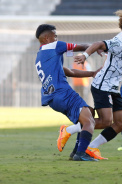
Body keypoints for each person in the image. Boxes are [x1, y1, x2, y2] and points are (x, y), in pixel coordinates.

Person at [59, 10, 122, 159]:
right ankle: (68, 129)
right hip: (102, 86)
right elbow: (98, 44)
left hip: (114, 88)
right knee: (106, 121)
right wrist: (85, 55)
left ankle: (91, 148)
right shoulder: (120, 42)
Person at [35, 24, 100, 161]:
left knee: (89, 113)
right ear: (47, 38)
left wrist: (92, 73)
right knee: (89, 120)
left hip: (53, 98)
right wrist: (97, 47)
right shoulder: (54, 46)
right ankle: (80, 154)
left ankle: (76, 151)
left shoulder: (41, 57)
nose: (57, 38)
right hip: (62, 93)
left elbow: (69, 72)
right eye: (55, 36)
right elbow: (80, 47)